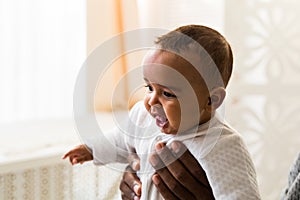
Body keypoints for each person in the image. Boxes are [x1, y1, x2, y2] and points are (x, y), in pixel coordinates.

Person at [63, 25, 261, 199]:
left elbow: (240, 195)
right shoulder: (144, 116)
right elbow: (120, 139)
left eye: (167, 93)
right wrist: (91, 149)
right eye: (149, 88)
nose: (152, 101)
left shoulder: (223, 146)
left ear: (212, 100)